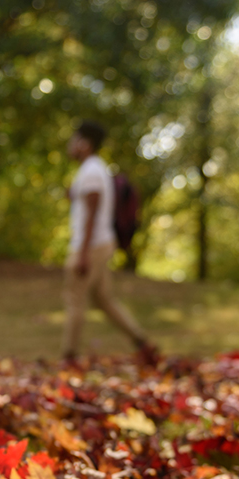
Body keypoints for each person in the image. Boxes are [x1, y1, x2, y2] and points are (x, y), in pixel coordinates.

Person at [61, 120, 157, 365]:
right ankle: (142, 343)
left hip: (90, 246)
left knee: (75, 299)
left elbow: (92, 214)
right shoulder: (94, 169)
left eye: (74, 140)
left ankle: (69, 357)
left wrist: (82, 253)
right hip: (101, 243)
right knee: (103, 299)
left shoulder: (92, 171)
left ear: (85, 143)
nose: (70, 146)